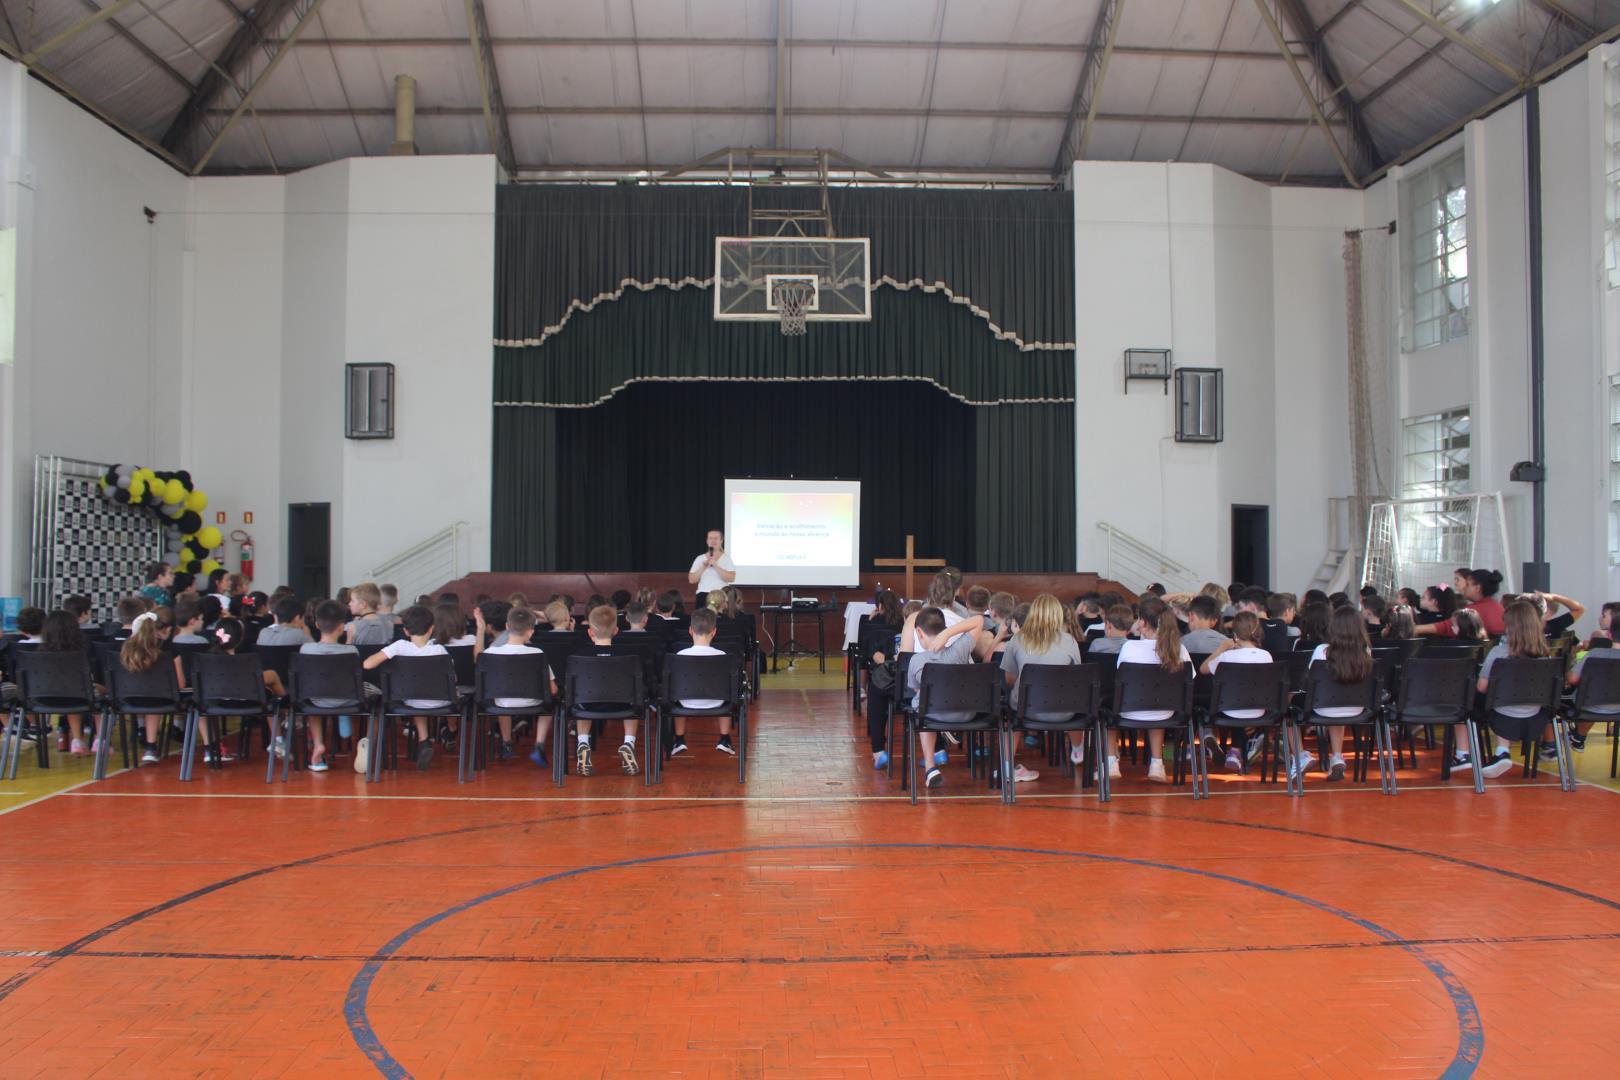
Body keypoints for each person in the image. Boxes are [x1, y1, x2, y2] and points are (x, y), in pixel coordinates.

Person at [1466, 600, 1555, 778]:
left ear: (1509, 627)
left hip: (1501, 715)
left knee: (1481, 700)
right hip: (1536, 715)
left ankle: (1500, 751)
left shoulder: (1498, 653)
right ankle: (1502, 752)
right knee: (1512, 698)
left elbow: (1482, 687)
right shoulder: (1546, 655)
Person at [1001, 593, 1083, 780]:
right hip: (1064, 709)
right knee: (1076, 699)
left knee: (1010, 717)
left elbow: (1009, 678)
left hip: (1026, 709)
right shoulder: (1069, 641)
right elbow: (1078, 678)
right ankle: (1078, 750)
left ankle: (1006, 766)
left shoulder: (1017, 639)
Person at [362, 605, 450, 771]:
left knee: (415, 697)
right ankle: (428, 740)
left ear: (406, 631)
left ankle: (424, 740)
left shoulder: (399, 646)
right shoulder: (440, 650)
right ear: (432, 629)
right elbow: (453, 678)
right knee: (421, 694)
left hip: (412, 700)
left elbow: (367, 664)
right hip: (441, 701)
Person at [908, 606, 986, 789]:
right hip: (966, 714)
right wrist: (949, 634)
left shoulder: (916, 661)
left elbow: (915, 688)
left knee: (921, 701)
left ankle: (930, 767)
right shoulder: (960, 650)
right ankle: (947, 730)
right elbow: (979, 621)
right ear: (943, 629)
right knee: (926, 700)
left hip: (933, 716)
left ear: (919, 633)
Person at [1116, 597, 1189, 784]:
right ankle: (1157, 763)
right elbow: (1190, 680)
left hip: (1129, 710)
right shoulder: (1179, 649)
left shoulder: (1129, 647)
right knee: (1157, 703)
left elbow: (1121, 677)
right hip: (1166, 711)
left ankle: (1111, 764)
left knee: (1105, 711)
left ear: (1143, 622)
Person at [300, 599, 376, 773]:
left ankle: (319, 745)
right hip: (348, 700)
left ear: (317, 624)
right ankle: (368, 739)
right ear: (342, 627)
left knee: (313, 700)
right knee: (374, 698)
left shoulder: (306, 649)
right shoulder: (351, 651)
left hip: (318, 700)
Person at [1300, 607, 1372, 782]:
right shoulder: (1366, 651)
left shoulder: (1322, 650)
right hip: (1356, 709)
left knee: (1287, 713)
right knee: (1339, 699)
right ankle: (1337, 756)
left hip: (1324, 707)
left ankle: (1301, 755)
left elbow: (1311, 681)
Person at [568, 604, 641, 777]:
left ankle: (583, 742)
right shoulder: (628, 656)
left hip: (589, 706)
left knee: (582, 700)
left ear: (590, 632)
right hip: (622, 706)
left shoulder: (579, 656)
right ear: (616, 630)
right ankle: (628, 743)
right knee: (634, 701)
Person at [478, 605, 554, 766]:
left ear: (507, 627)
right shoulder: (538, 654)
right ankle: (539, 745)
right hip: (534, 703)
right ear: (531, 631)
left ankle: (506, 743)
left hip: (501, 704)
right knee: (551, 705)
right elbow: (552, 689)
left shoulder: (489, 653)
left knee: (501, 695)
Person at [1200, 611, 1274, 772]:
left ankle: (1230, 748)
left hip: (1229, 710)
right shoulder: (1267, 656)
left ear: (1235, 635)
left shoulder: (1227, 656)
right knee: (1243, 698)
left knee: (1234, 702)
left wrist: (1222, 648)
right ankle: (1236, 751)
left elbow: (1203, 668)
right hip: (1259, 710)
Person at [667, 608, 737, 757]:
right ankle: (724, 739)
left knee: (677, 694)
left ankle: (679, 739)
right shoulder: (723, 656)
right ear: (714, 631)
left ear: (691, 631)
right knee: (728, 693)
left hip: (685, 702)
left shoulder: (679, 656)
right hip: (717, 703)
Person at [688, 528, 736, 603]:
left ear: (721, 541)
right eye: (710, 538)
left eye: (716, 538)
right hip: (703, 594)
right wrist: (703, 568)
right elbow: (692, 580)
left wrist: (716, 566)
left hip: (721, 595)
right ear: (707, 541)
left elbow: (731, 578)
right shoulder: (700, 558)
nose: (713, 541)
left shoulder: (726, 558)